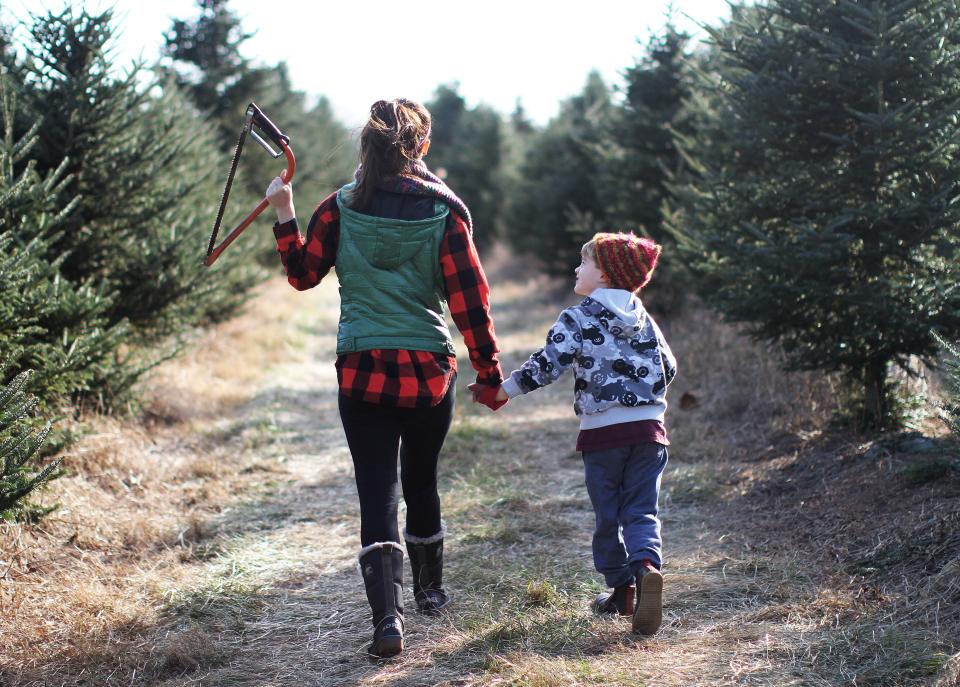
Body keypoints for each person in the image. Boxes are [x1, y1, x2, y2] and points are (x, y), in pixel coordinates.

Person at [265, 98, 503, 659]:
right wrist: (489, 372)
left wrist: (283, 211)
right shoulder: (445, 211)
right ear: (419, 148)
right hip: (428, 372)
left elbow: (302, 275)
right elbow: (471, 301)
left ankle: (387, 620)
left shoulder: (338, 208)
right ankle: (432, 591)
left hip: (361, 369)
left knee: (377, 488)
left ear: (365, 149)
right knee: (421, 479)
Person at [471, 232, 676, 635]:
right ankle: (647, 567)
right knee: (641, 509)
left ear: (603, 274)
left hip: (604, 436)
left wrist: (504, 390)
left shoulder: (578, 317)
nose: (575, 269)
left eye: (583, 263)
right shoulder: (641, 315)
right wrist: (645, 399)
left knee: (608, 515)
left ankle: (622, 589)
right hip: (651, 433)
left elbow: (549, 363)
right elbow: (667, 365)